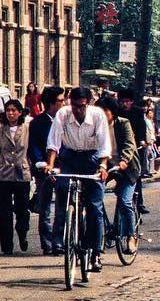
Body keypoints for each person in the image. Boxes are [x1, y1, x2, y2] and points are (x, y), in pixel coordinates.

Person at [45, 87, 111, 272]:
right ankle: (65, 232)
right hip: (70, 157)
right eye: (74, 105)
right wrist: (50, 165)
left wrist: (103, 166)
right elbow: (54, 142)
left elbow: (104, 145)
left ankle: (96, 252)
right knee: (62, 188)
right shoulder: (63, 114)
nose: (78, 110)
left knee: (95, 206)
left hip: (92, 158)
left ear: (88, 103)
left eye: (81, 106)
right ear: (69, 102)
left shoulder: (97, 115)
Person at [0, 99, 32, 254]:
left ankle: (22, 232)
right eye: (8, 110)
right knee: (5, 212)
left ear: (19, 112)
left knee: (22, 210)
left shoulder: (26, 129)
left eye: (14, 110)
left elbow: (31, 152)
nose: (11, 113)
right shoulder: (0, 130)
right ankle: (7, 246)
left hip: (21, 175)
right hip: (3, 175)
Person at [97, 96, 141, 255]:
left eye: (105, 112)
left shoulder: (123, 123)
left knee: (124, 201)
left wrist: (123, 161)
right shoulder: (97, 127)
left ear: (112, 112)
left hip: (127, 168)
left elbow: (130, 145)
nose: (102, 115)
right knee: (93, 198)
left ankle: (131, 235)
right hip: (106, 166)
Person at [28, 86, 65, 255]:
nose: (64, 103)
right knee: (45, 209)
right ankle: (47, 243)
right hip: (44, 170)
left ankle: (60, 242)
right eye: (60, 100)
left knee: (62, 207)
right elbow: (34, 147)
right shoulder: (38, 122)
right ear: (51, 103)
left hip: (63, 169)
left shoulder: (66, 121)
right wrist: (41, 164)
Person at [117, 88, 150, 215]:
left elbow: (142, 128)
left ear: (131, 102)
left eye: (127, 101)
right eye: (122, 101)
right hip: (121, 149)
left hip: (136, 148)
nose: (125, 104)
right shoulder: (117, 112)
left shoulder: (137, 112)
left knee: (136, 176)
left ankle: (139, 203)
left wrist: (142, 140)